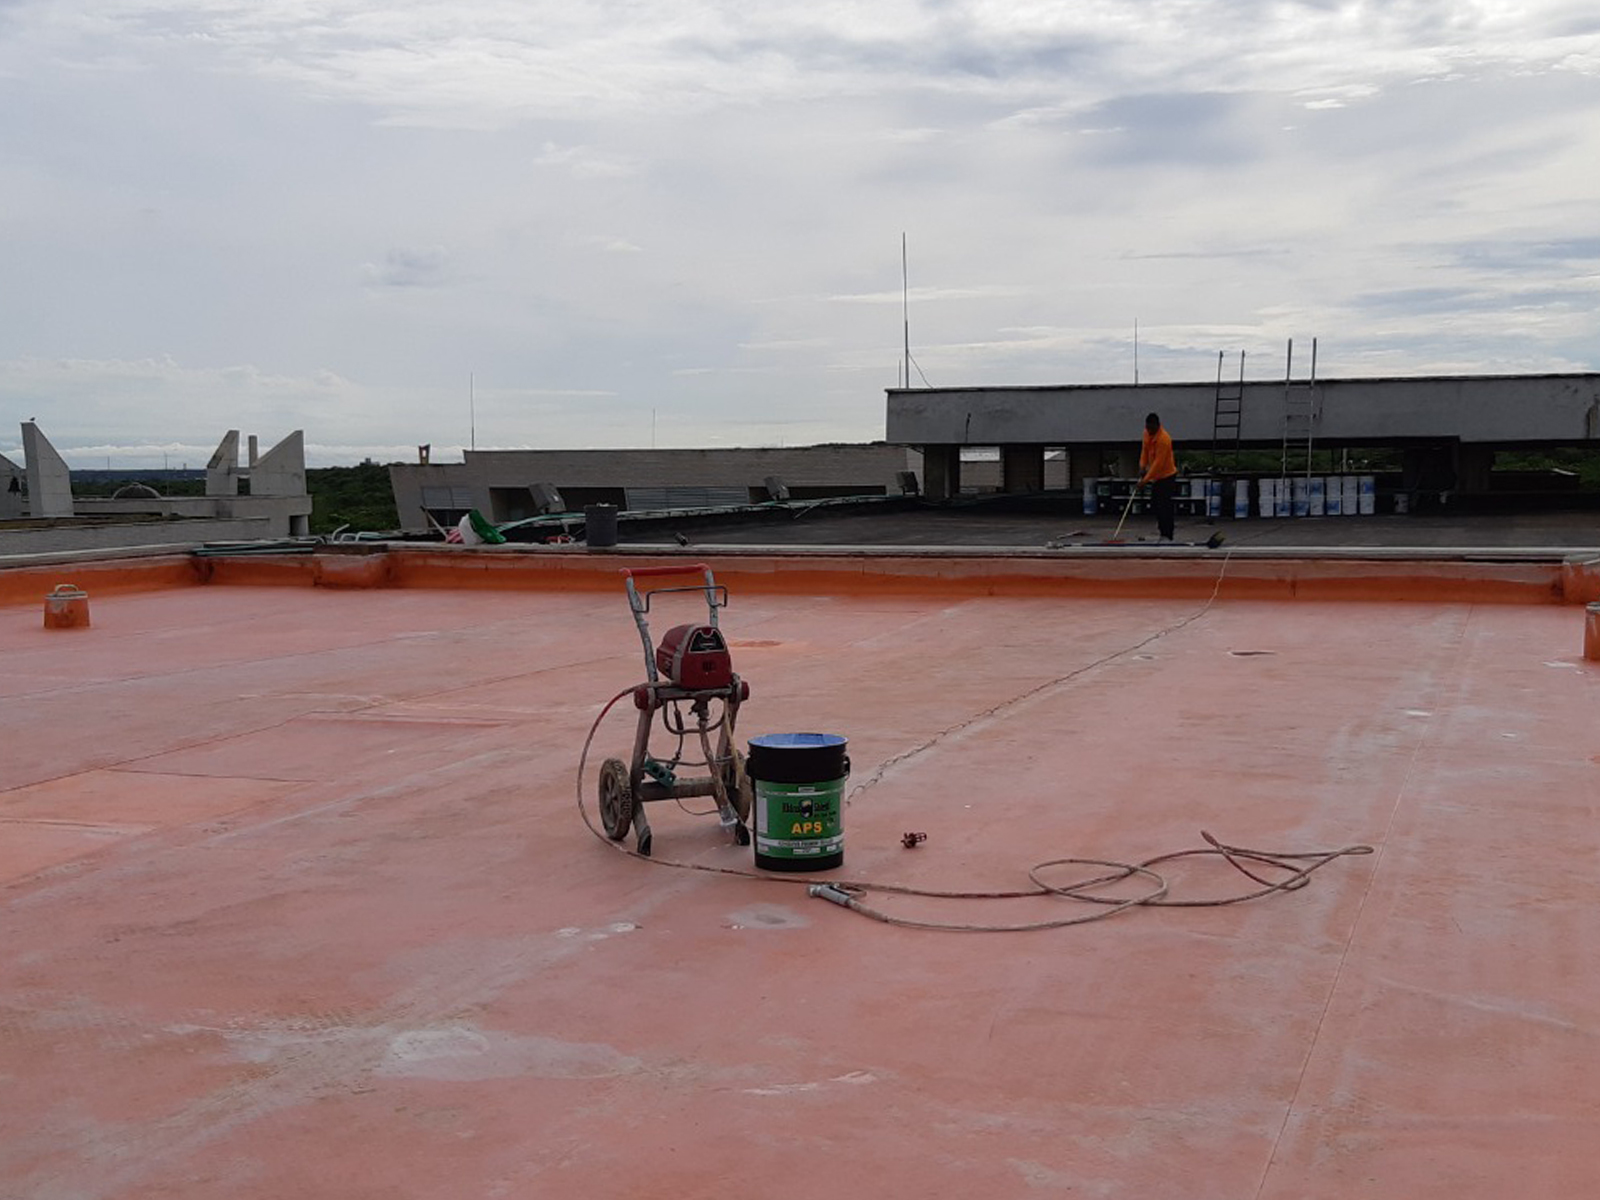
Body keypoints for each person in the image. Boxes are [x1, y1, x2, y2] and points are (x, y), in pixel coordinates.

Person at [1139, 412, 1178, 542]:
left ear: (1157, 426)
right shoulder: (1146, 433)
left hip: (1167, 476)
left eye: (1151, 429)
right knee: (1155, 504)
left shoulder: (1164, 440)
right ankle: (1162, 531)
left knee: (1164, 506)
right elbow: (1144, 450)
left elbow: (1158, 464)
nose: (1149, 431)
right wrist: (1142, 466)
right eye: (1147, 428)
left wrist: (1145, 480)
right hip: (1156, 478)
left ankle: (1167, 534)